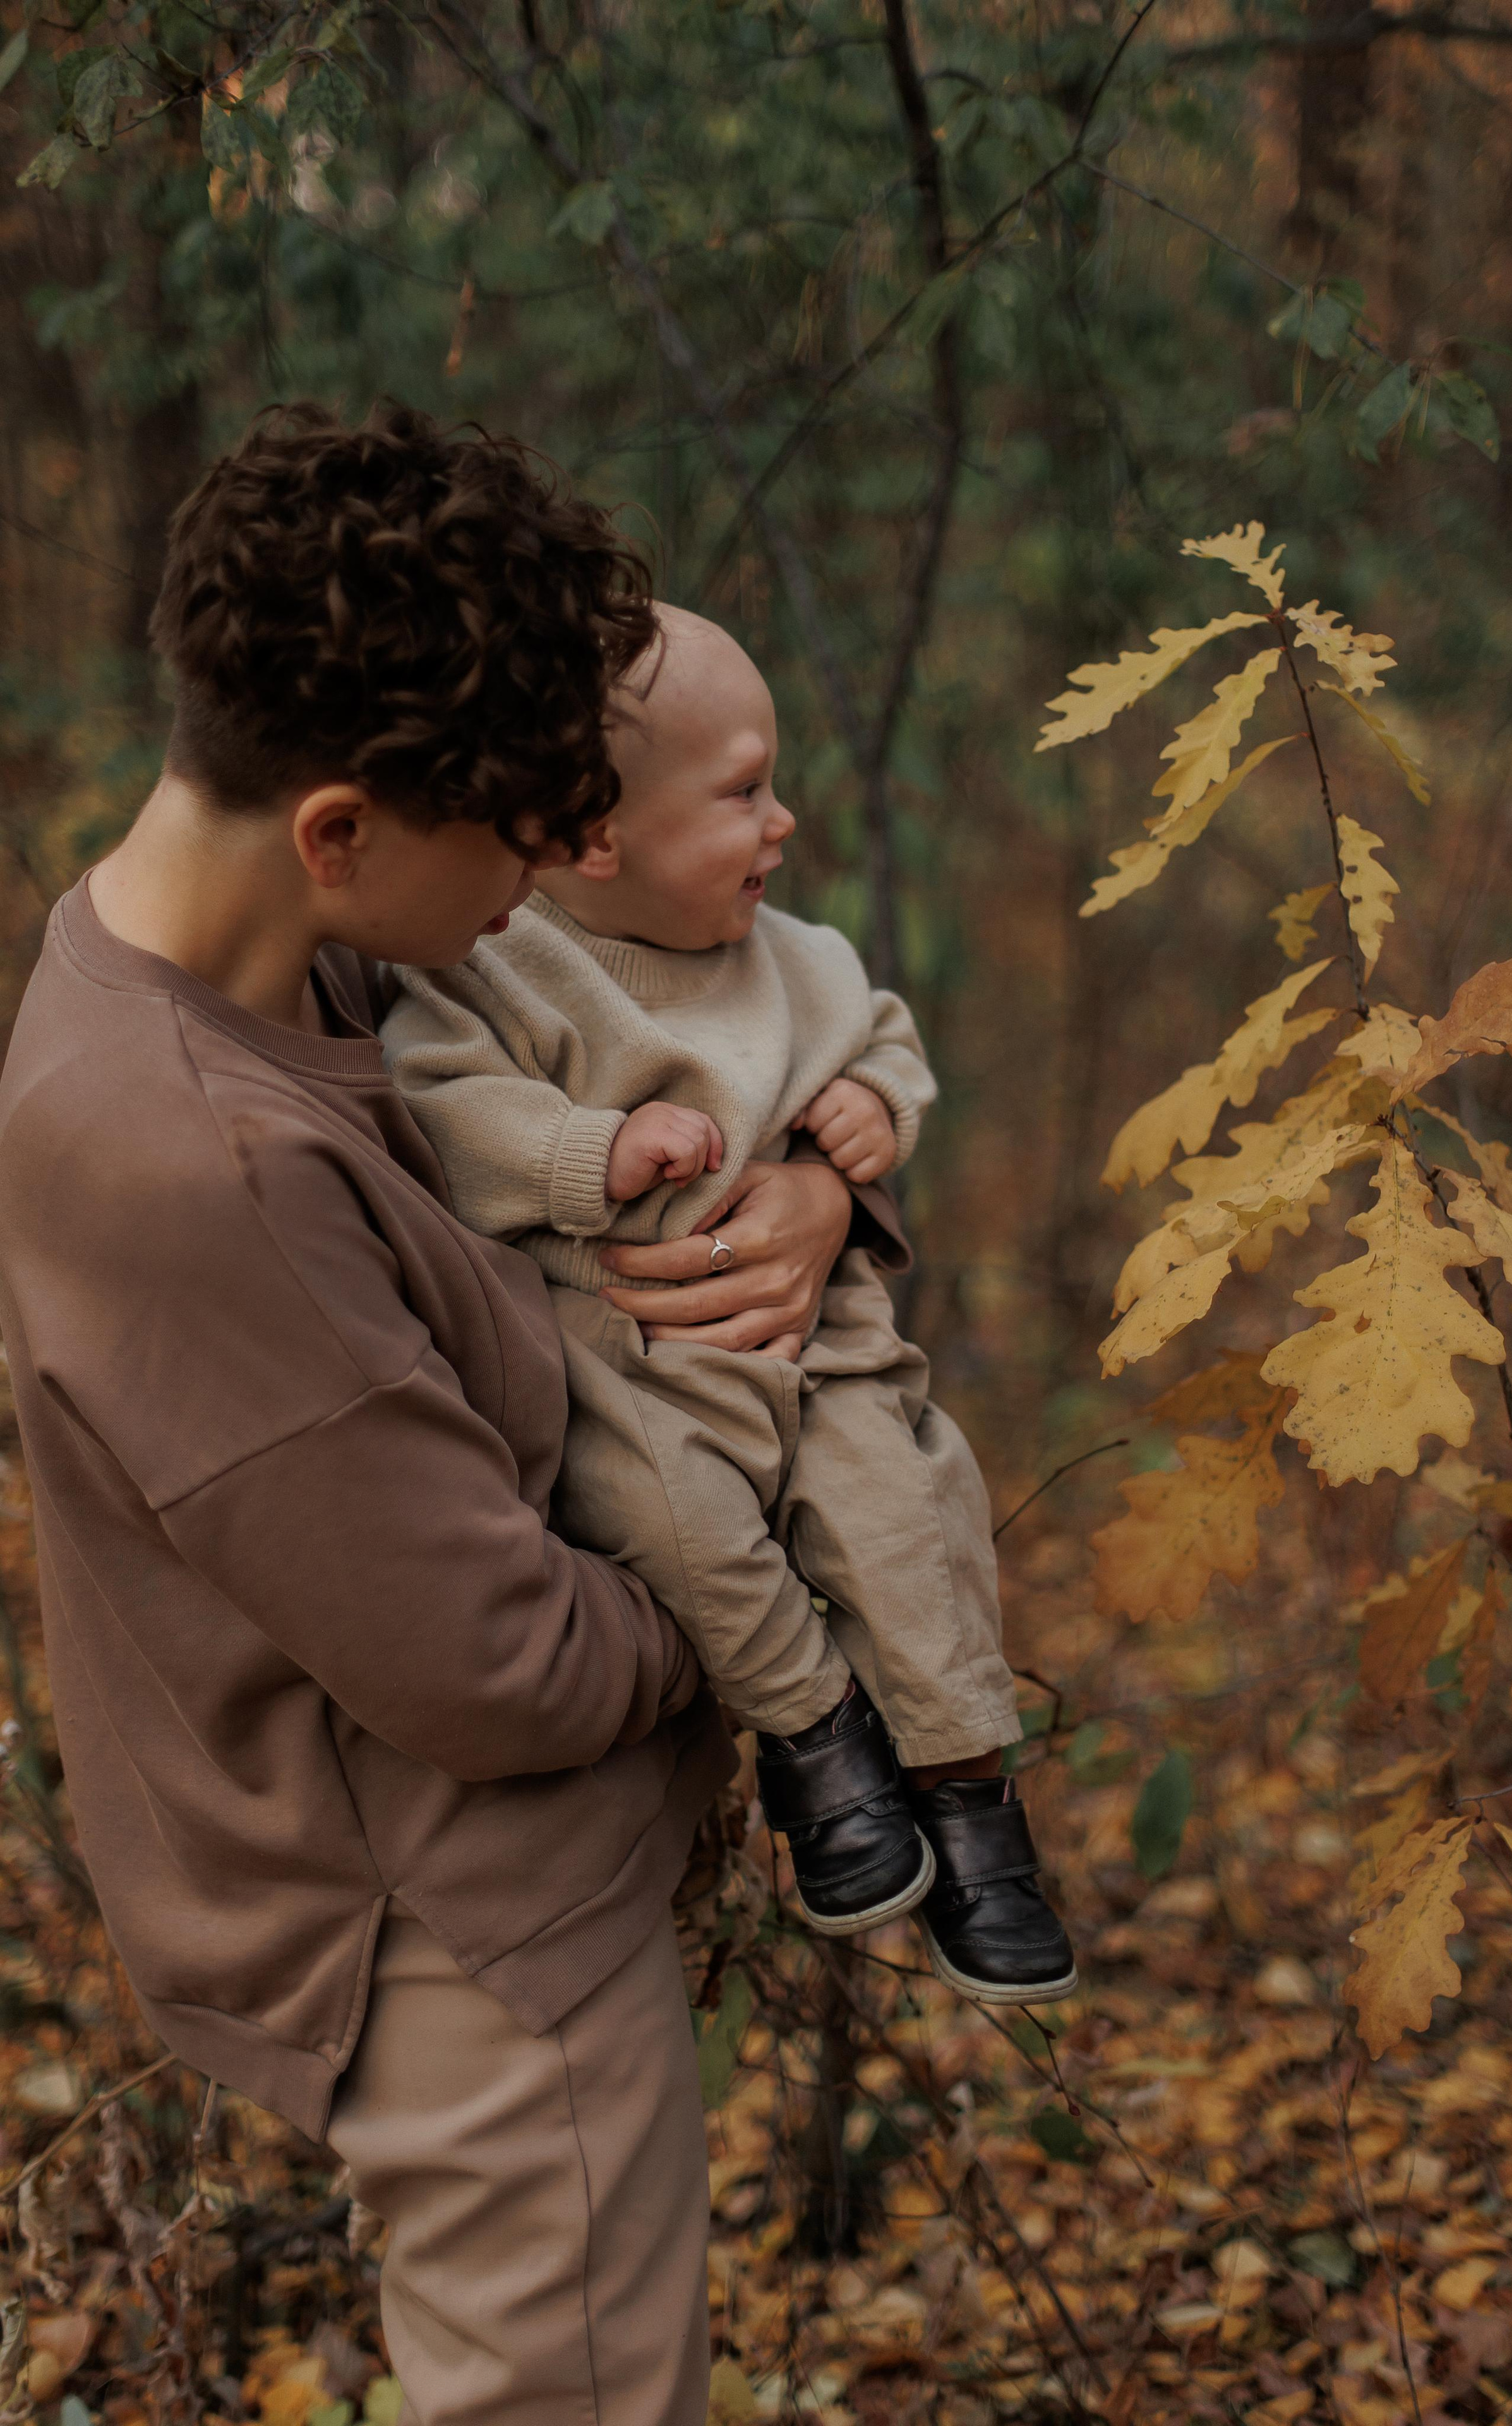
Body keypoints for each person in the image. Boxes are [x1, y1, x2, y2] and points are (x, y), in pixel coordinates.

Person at [0, 404, 898, 2426]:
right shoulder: (182, 1156)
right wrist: (776, 1591)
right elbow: (489, 1661)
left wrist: (823, 1189)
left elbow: (687, 1045)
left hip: (519, 1898)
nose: (547, 885)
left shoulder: (300, 959)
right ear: (340, 825)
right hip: (475, 1950)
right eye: (518, 840)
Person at [380, 606, 1077, 2006]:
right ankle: (815, 1737)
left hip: (829, 1354)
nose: (785, 821)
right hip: (642, 1364)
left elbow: (882, 1036)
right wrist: (588, 1152)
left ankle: (965, 1787)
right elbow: (434, 1108)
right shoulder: (494, 964)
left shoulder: (798, 957)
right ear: (592, 839)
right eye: (745, 790)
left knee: (906, 1514)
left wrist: (865, 1115)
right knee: (675, 1525)